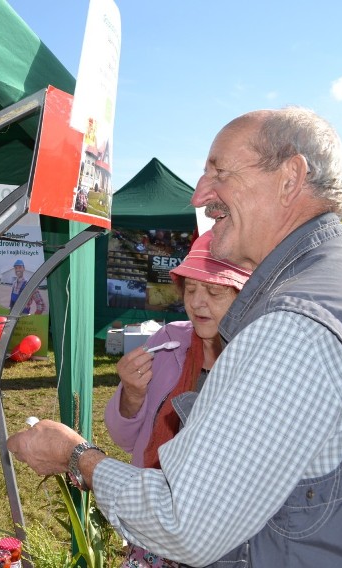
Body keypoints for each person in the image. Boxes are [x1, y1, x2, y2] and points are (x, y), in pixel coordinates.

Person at [8, 107, 342, 566]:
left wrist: (77, 456)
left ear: (290, 177)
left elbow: (184, 524)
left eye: (218, 171)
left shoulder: (292, 325)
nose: (200, 196)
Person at [104, 231, 250, 568]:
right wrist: (132, 394)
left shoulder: (255, 363)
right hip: (152, 532)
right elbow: (125, 440)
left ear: (244, 297)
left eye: (214, 291)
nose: (198, 302)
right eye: (191, 289)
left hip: (218, 540)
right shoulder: (168, 343)